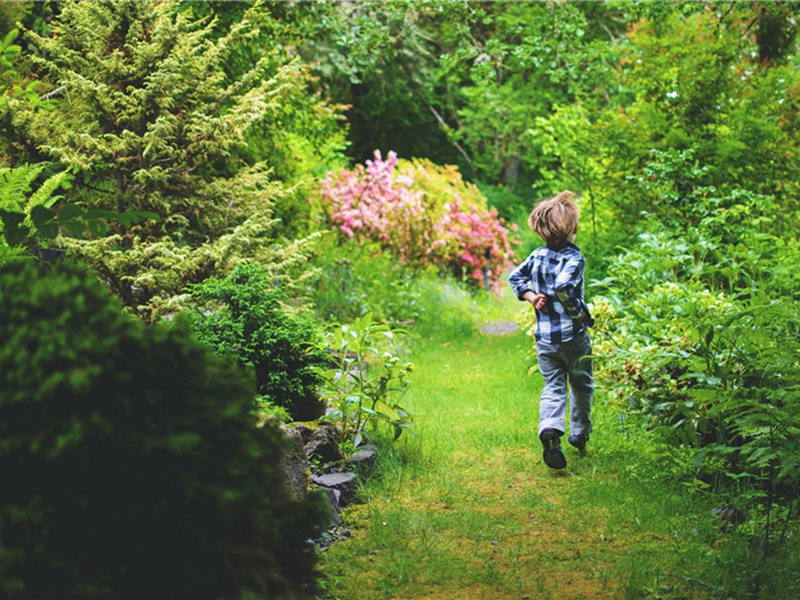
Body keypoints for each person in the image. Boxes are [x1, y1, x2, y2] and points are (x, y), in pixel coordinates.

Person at [508, 191, 594, 470]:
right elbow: (563, 287)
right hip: (573, 337)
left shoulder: (536, 255)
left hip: (544, 338)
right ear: (574, 229)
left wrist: (531, 296)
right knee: (581, 384)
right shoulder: (574, 259)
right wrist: (578, 312)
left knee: (553, 386)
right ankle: (579, 434)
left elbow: (515, 277)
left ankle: (550, 428)